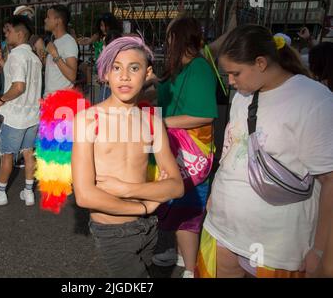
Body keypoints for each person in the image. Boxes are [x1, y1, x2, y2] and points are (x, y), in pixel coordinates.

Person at [198, 24, 333, 278]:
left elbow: (330, 180)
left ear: (260, 63)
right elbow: (231, 152)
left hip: (277, 248)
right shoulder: (242, 96)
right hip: (222, 230)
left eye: (235, 73)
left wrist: (321, 252)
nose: (230, 81)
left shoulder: (314, 100)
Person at [72, 36, 184, 277]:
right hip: (112, 232)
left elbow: (176, 187)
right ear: (105, 74)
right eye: (116, 68)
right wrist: (147, 203)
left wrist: (125, 189)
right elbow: (84, 195)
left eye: (134, 68)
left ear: (148, 73)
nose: (124, 76)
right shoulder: (88, 120)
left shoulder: (153, 121)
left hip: (150, 227)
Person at [150, 17, 218, 278]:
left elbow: (204, 114)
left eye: (169, 36)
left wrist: (161, 122)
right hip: (176, 147)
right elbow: (167, 94)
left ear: (178, 38)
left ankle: (190, 269)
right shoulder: (180, 66)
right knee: (175, 204)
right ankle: (180, 255)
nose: (167, 41)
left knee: (187, 208)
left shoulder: (199, 68)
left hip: (191, 152)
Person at [0, 15, 42, 206]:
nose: (6, 34)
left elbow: (19, 86)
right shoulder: (34, 58)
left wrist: (0, 99)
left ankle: (0, 192)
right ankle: (28, 192)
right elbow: (20, 78)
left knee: (7, 155)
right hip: (32, 115)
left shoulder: (16, 55)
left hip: (16, 116)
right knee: (28, 152)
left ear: (20, 33)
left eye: (8, 30)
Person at [43, 4, 78, 96]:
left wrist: (55, 54)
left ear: (58, 21)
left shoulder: (69, 41)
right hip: (49, 99)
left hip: (61, 101)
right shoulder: (54, 41)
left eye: (48, 17)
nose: (45, 20)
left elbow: (72, 76)